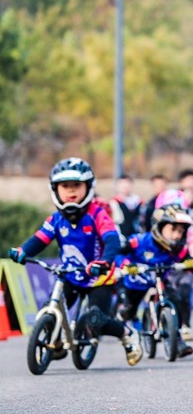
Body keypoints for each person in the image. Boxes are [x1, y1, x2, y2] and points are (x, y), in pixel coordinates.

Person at [7, 157, 141, 366]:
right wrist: (22, 251)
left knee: (95, 320)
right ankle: (56, 343)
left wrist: (104, 261)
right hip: (72, 274)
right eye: (65, 186)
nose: (71, 191)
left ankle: (127, 333)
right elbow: (39, 239)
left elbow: (111, 240)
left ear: (88, 187)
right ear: (55, 189)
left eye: (76, 186)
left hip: (100, 277)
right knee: (51, 307)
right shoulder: (56, 219)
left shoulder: (97, 214)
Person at [116, 204, 193, 357]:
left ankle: (177, 339)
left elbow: (189, 262)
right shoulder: (140, 241)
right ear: (160, 227)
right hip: (135, 282)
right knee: (127, 310)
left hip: (159, 281)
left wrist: (191, 264)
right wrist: (125, 264)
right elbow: (118, 252)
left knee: (176, 300)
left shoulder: (178, 248)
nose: (177, 235)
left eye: (181, 231)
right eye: (173, 229)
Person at [154, 189, 193, 342]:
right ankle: (155, 324)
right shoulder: (156, 232)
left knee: (183, 292)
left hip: (184, 267)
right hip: (163, 267)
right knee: (158, 294)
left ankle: (184, 325)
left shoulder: (187, 229)